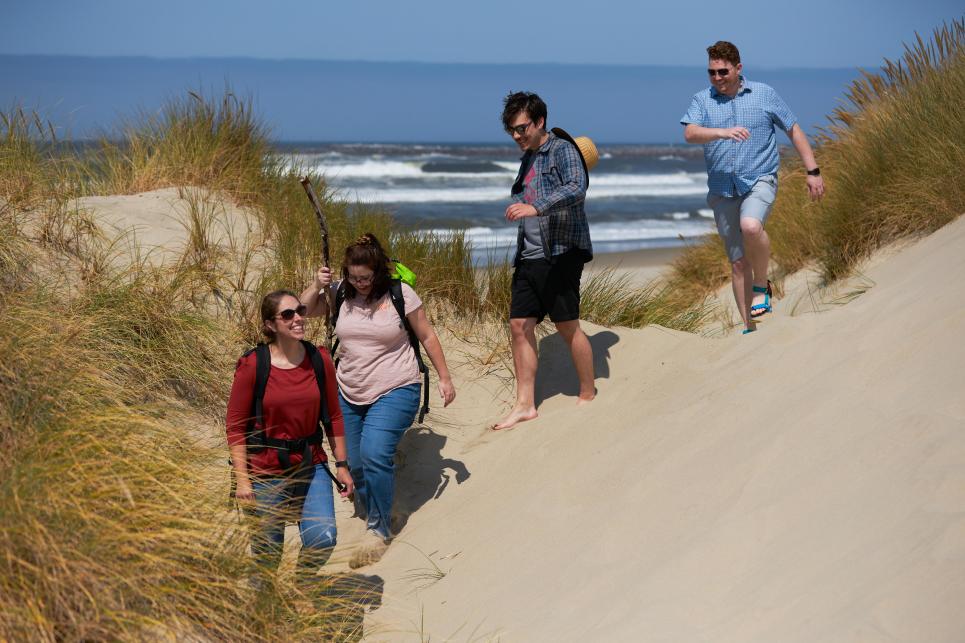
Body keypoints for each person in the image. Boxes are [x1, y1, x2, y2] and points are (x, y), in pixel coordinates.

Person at [301, 233, 456, 568]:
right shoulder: (341, 291)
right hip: (349, 389)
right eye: (355, 277)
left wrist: (444, 377)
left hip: (396, 387)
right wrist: (317, 285)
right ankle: (384, 508)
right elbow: (301, 312)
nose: (361, 284)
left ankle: (378, 528)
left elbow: (426, 334)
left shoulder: (400, 294)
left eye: (366, 278)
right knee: (353, 464)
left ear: (379, 272)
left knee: (375, 453)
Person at [681, 41, 826, 333]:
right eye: (712, 72)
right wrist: (721, 132)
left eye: (723, 71)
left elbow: (793, 129)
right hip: (722, 189)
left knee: (750, 226)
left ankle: (762, 285)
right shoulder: (702, 100)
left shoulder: (764, 94)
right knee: (736, 264)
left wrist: (813, 170)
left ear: (738, 68)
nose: (717, 78)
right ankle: (748, 326)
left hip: (760, 179)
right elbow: (690, 133)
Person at [225, 290, 354, 585]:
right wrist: (243, 480)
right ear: (271, 325)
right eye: (287, 315)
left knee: (323, 538)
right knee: (267, 554)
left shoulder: (319, 359)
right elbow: (235, 426)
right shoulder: (253, 366)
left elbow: (333, 416)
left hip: (311, 463)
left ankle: (302, 584)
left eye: (300, 311)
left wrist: (343, 465)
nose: (297, 318)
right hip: (265, 468)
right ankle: (263, 615)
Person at [493, 91, 595, 431]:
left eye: (522, 128)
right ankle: (524, 405)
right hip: (530, 254)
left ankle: (588, 392)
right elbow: (528, 194)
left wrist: (536, 207)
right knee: (519, 325)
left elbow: (576, 188)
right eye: (512, 131)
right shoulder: (528, 157)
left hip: (561, 252)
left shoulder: (562, 150)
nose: (517, 136)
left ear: (539, 122)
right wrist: (522, 205)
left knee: (567, 325)